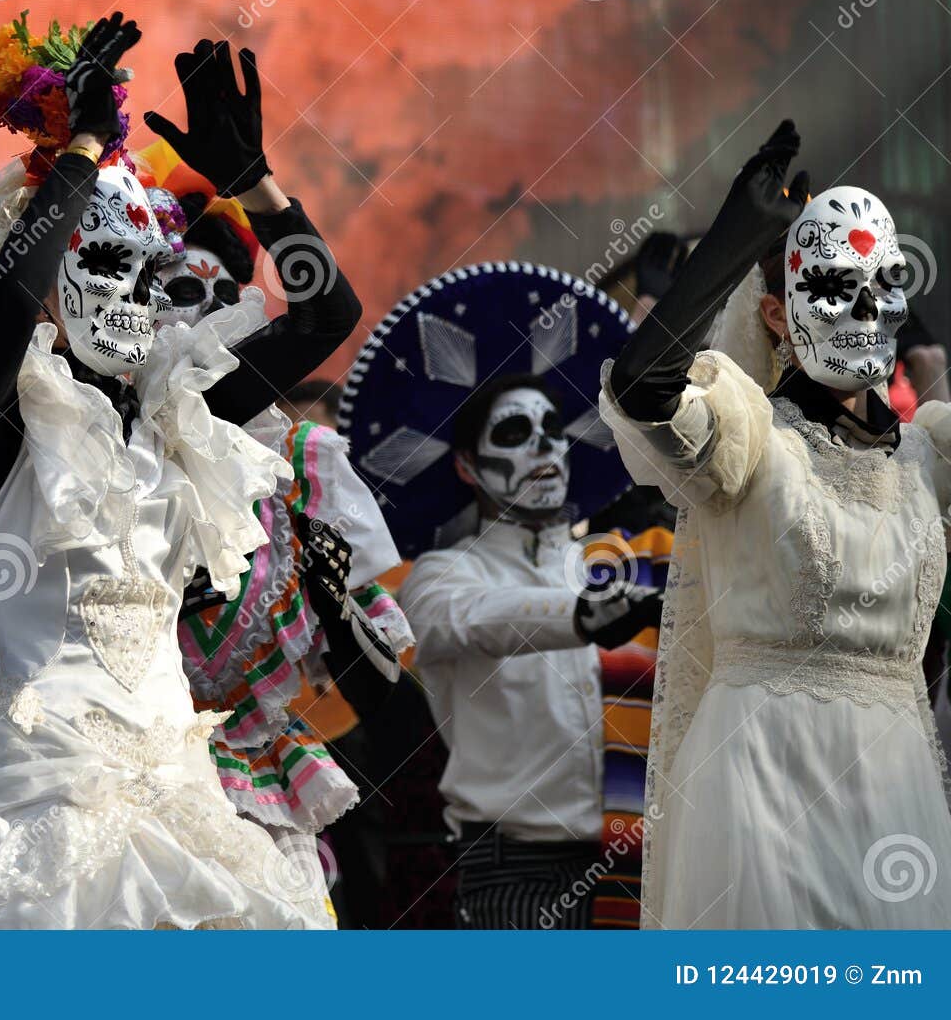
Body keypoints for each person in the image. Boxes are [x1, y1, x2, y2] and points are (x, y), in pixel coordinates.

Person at [0, 15, 356, 929]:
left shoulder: (173, 425)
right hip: (38, 797)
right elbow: (2, 327)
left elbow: (325, 315)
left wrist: (256, 190)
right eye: (107, 263)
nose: (135, 297)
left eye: (154, 278)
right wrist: (85, 148)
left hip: (184, 784)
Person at [603, 120, 951, 928]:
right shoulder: (751, 440)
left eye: (885, 282)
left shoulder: (929, 456)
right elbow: (643, 389)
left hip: (896, 781)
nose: (865, 307)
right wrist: (733, 240)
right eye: (836, 286)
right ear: (775, 314)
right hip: (761, 778)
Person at [339, 262, 647, 928]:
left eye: (553, 430)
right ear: (467, 466)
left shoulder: (618, 565)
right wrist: (582, 617)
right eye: (514, 433)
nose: (543, 445)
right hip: (513, 870)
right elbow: (479, 621)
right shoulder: (441, 578)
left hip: (641, 862)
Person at [145, 184, 414, 906]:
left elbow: (388, 702)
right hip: (125, 787)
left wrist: (337, 610)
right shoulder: (93, 451)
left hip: (260, 791)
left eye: (215, 293)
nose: (194, 314)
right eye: (169, 288)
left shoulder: (303, 465)